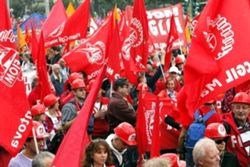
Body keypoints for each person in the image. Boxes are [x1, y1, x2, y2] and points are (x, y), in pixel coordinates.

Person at [223, 92, 250, 167]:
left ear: (249, 109)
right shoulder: (225, 126)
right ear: (233, 108)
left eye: (244, 107)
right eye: (238, 107)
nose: (241, 111)